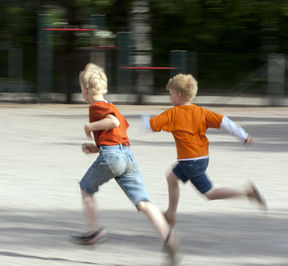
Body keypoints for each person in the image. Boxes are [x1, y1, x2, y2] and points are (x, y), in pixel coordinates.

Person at [72, 63, 179, 263]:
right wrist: (96, 147)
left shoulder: (96, 106)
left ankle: (93, 232)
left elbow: (113, 123)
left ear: (86, 90)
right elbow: (116, 134)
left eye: (81, 89)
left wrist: (90, 126)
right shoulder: (112, 105)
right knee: (144, 202)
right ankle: (168, 236)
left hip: (112, 157)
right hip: (127, 156)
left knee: (86, 188)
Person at [142, 73, 267, 226]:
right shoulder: (201, 112)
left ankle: (247, 192)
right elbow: (224, 122)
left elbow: (151, 124)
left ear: (179, 96)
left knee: (209, 194)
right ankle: (170, 214)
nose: (170, 98)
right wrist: (243, 135)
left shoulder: (173, 114)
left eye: (171, 94)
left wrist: (136, 121)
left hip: (190, 162)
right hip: (201, 158)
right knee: (171, 177)